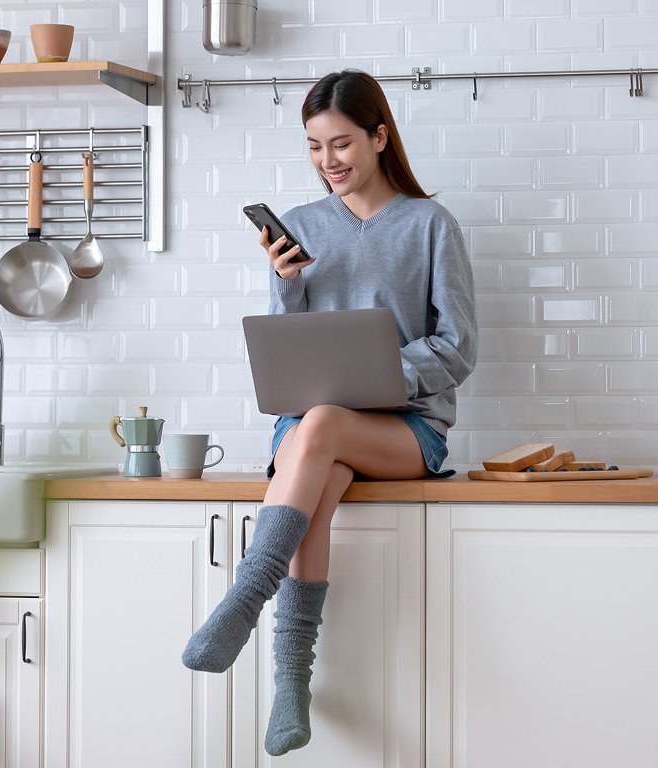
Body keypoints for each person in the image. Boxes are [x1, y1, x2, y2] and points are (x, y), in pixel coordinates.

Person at [182, 69, 478, 756]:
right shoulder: (303, 227)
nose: (328, 162)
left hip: (407, 429)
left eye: (341, 143)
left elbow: (459, 348)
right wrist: (286, 286)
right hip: (319, 431)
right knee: (320, 462)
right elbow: (290, 347)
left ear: (379, 136)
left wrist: (374, 375)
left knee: (319, 427)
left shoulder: (431, 224)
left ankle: (246, 600)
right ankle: (292, 685)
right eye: (314, 147)